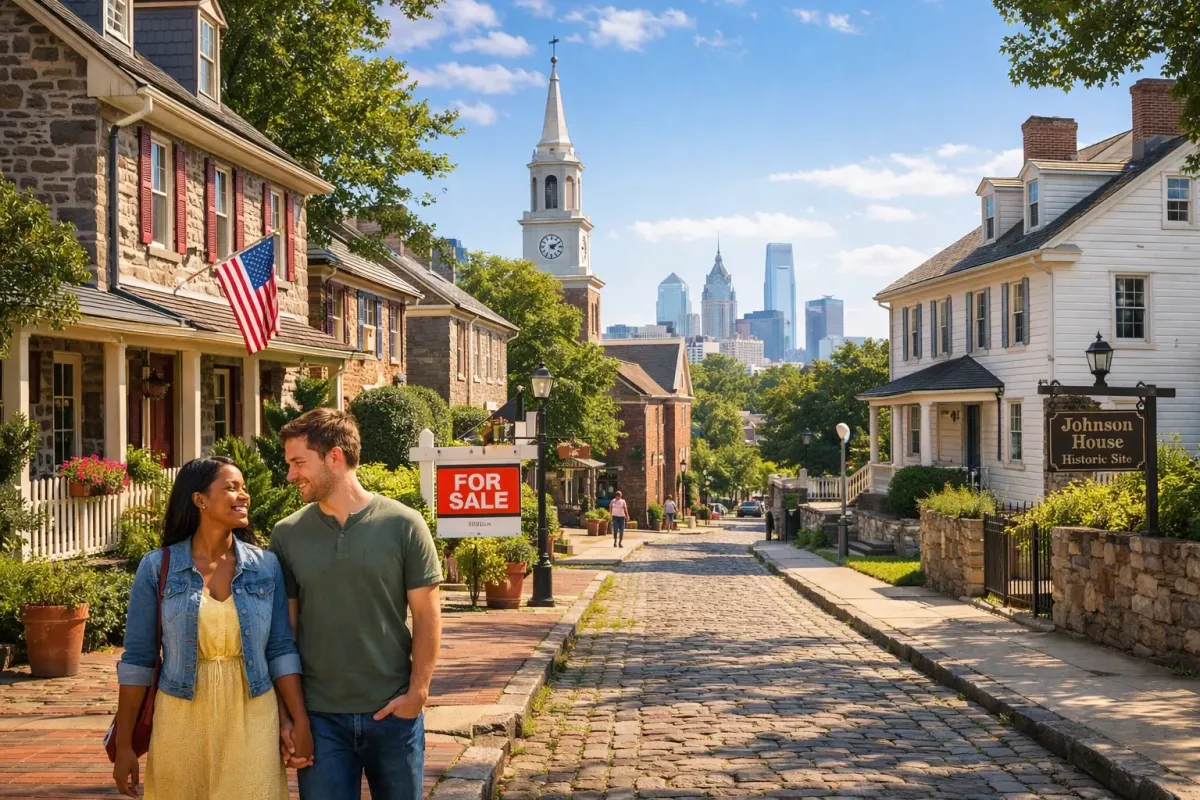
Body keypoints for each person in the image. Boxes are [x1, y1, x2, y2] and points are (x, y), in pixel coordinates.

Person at [270, 409, 443, 800]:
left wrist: (417, 693)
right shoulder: (287, 534)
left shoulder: (404, 524)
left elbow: (427, 616)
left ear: (334, 457)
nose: (291, 475)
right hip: (319, 719)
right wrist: (289, 716)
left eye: (299, 463)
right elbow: (286, 634)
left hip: (393, 714)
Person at [113, 457, 309, 800]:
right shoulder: (157, 567)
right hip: (180, 716)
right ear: (199, 499)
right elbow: (138, 662)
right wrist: (124, 745)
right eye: (232, 487)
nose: (244, 495)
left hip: (253, 712)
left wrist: (299, 720)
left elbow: (280, 649)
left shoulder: (265, 566)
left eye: (244, 487)